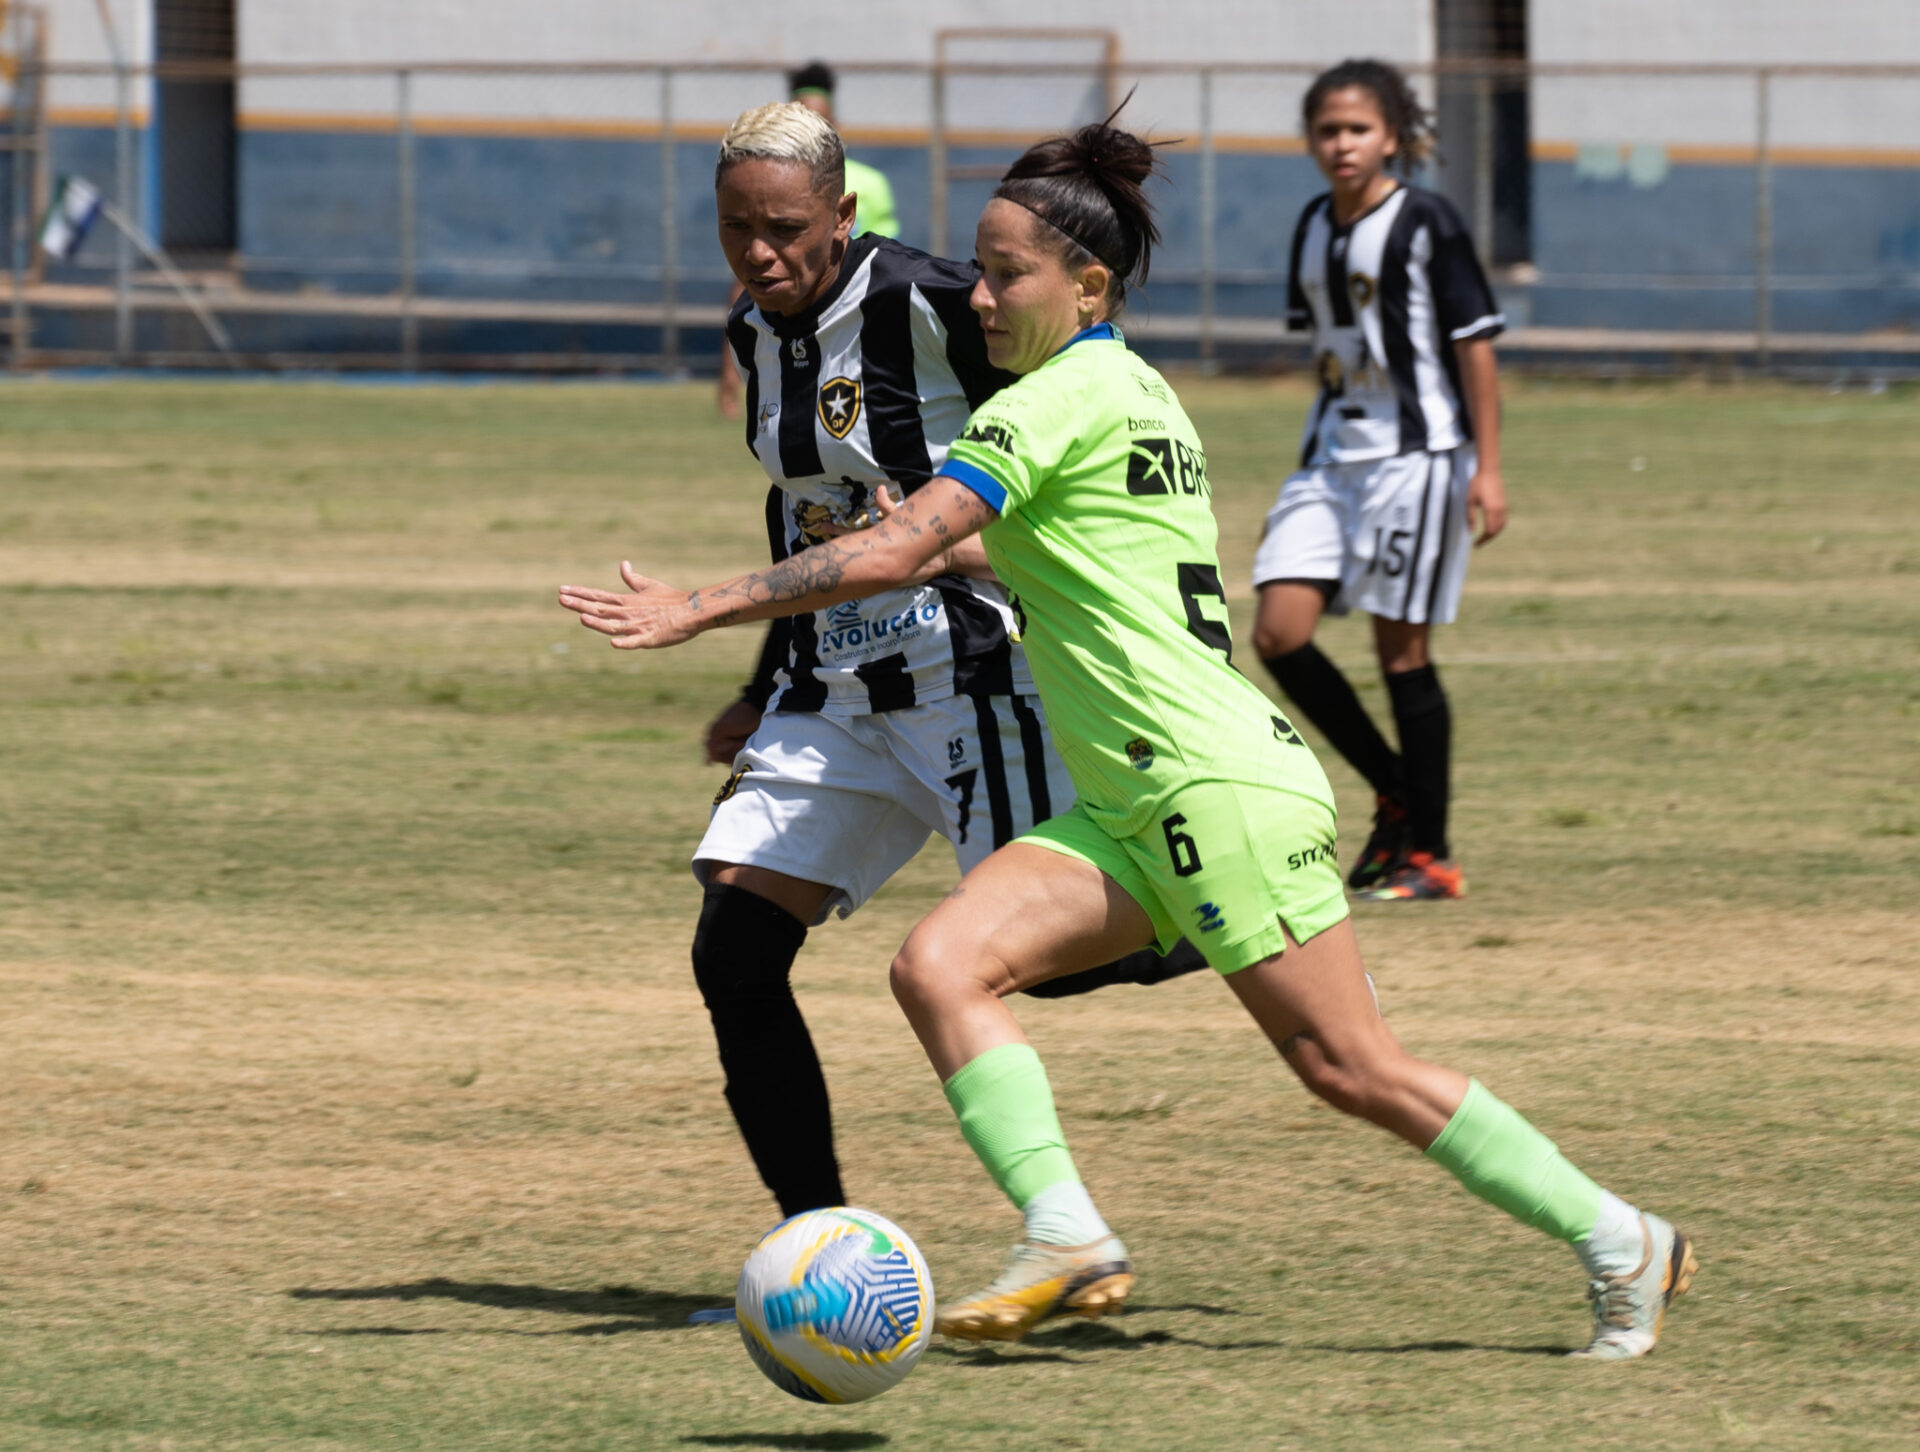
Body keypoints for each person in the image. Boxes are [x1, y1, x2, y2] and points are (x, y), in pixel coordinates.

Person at [562, 114, 1696, 1364]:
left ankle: (1622, 1238)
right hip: (1127, 799)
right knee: (939, 967)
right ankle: (1066, 1234)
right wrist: (908, 551)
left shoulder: (1037, 408)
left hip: (1213, 788)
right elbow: (1054, 550)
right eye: (980, 272)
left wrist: (700, 607)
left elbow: (898, 552)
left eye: (1004, 277)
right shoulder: (1135, 395)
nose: (978, 295)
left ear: (1086, 286)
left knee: (1351, 1069)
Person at [630, 101, 1201, 1227]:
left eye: (787, 227)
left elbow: (1080, 442)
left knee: (1057, 961)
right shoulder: (753, 331)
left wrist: (977, 551)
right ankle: (820, 1246)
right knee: (735, 949)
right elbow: (802, 517)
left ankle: (1232, 921)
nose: (761, 252)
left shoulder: (938, 303)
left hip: (974, 674)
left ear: (841, 215)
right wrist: (760, 693)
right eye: (736, 227)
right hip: (835, 691)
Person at [1251, 59, 1509, 902]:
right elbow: (1333, 352)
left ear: (1392, 135)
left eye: (1358, 129)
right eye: (1327, 130)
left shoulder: (1426, 220)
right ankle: (1398, 789)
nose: (1342, 145)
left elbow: (1473, 343)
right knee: (1278, 633)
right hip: (1332, 458)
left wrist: (1486, 467)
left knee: (1402, 652)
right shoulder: (1313, 226)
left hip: (1419, 457)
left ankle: (1429, 851)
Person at [717, 62, 899, 420]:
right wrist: (728, 369)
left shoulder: (871, 184)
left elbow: (885, 266)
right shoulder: (764, 183)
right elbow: (741, 290)